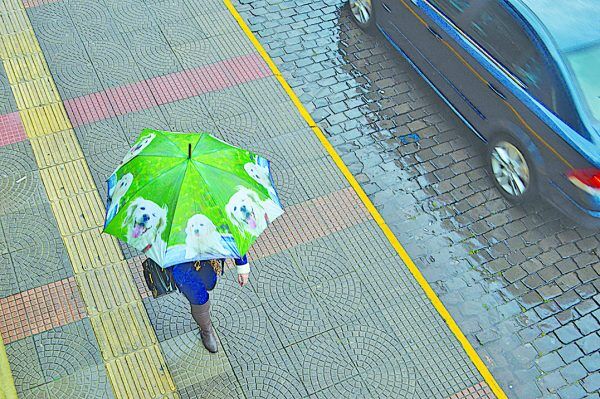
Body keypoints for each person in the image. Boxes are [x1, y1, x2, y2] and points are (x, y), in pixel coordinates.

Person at [171, 255, 249, 353]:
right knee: (199, 297)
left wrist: (242, 264)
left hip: (207, 252)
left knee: (209, 282)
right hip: (180, 262)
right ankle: (206, 330)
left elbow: (235, 239)